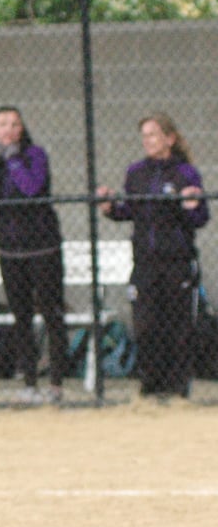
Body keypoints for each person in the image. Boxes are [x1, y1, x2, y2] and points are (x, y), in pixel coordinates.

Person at [97, 112, 209, 399]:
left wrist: (192, 206)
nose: (147, 141)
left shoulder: (185, 173)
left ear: (169, 139)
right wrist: (111, 207)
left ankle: (177, 387)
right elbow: (130, 211)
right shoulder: (136, 172)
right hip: (145, 262)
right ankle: (151, 385)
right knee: (146, 325)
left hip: (177, 262)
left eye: (153, 135)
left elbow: (200, 216)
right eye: (144, 136)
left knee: (177, 326)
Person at [0, 106, 68, 405]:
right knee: (21, 316)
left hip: (43, 249)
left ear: (21, 128)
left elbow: (30, 188)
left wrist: (12, 158)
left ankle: (57, 383)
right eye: (2, 124)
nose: (8, 129)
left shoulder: (34, 155)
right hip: (11, 251)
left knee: (51, 313)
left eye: (14, 124)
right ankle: (29, 383)